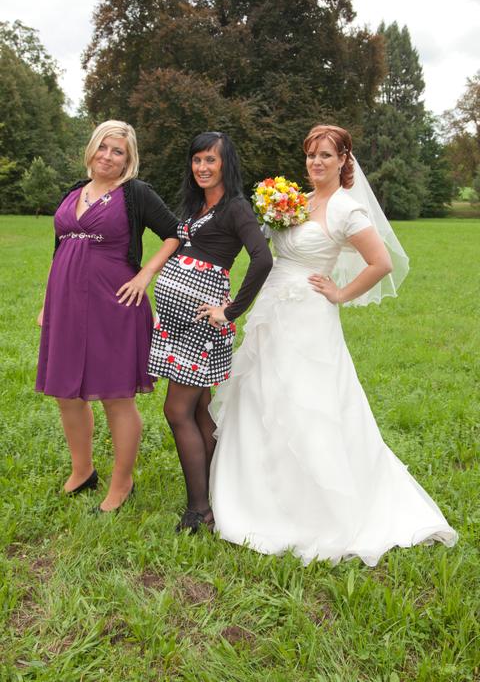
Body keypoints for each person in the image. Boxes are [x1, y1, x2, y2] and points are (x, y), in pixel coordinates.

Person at [209, 124, 458, 566]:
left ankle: (315, 507)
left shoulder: (346, 209)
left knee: (306, 401)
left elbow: (381, 262)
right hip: (272, 310)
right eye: (311, 155)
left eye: (326, 155)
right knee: (263, 394)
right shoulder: (296, 201)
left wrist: (340, 294)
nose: (316, 162)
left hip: (308, 317)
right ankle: (258, 493)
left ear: (344, 160)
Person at [121, 131, 272, 532]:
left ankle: (198, 509)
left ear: (226, 164)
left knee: (177, 410)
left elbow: (262, 259)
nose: (202, 167)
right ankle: (220, 495)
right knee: (200, 410)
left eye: (211, 160)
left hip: (201, 323)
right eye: (197, 160)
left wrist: (231, 310)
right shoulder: (196, 205)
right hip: (176, 323)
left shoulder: (236, 207)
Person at [36, 120, 179, 512]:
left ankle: (122, 482)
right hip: (66, 302)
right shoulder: (73, 192)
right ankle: (82, 470)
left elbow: (175, 233)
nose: (108, 156)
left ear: (128, 159)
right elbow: (59, 250)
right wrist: (48, 302)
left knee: (116, 395)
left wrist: (145, 275)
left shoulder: (135, 193)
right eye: (103, 147)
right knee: (66, 392)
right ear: (92, 149)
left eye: (118, 151)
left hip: (115, 302)